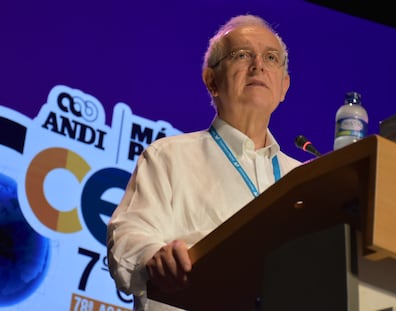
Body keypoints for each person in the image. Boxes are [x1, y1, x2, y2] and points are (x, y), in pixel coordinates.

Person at [107, 14, 302, 311]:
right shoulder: (169, 157)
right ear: (212, 80)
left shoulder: (302, 179)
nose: (258, 65)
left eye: (271, 57)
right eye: (241, 55)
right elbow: (129, 235)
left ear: (284, 86)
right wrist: (154, 257)